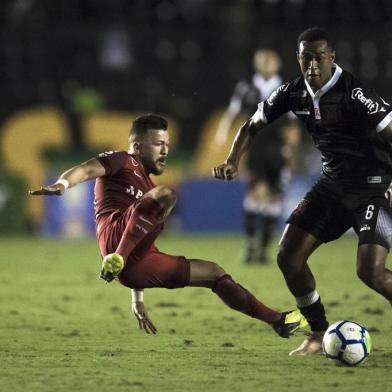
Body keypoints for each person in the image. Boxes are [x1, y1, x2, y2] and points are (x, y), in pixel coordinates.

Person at [30, 114, 307, 337]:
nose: (165, 150)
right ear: (138, 147)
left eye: (167, 144)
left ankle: (277, 320)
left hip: (134, 265)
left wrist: (136, 298)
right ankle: (118, 259)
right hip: (114, 239)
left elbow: (140, 238)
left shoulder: (148, 185)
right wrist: (63, 184)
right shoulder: (123, 161)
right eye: (158, 144)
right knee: (166, 194)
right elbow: (87, 169)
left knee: (213, 272)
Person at [213, 27, 392, 355]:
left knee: (371, 272)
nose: (311, 64)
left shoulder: (354, 93)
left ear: (331, 57)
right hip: (331, 185)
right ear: (297, 58)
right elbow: (251, 124)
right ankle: (318, 333)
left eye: (318, 57)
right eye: (305, 57)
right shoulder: (292, 92)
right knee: (288, 257)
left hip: (373, 188)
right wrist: (231, 161)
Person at [216, 49, 301, 263]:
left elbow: (293, 123)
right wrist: (222, 133)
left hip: (278, 148)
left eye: (269, 60)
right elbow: (232, 112)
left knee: (274, 196)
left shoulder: (287, 89)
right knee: (255, 193)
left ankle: (263, 248)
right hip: (255, 147)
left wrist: (293, 149)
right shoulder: (246, 88)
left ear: (278, 63)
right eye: (261, 60)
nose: (265, 63)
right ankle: (249, 243)